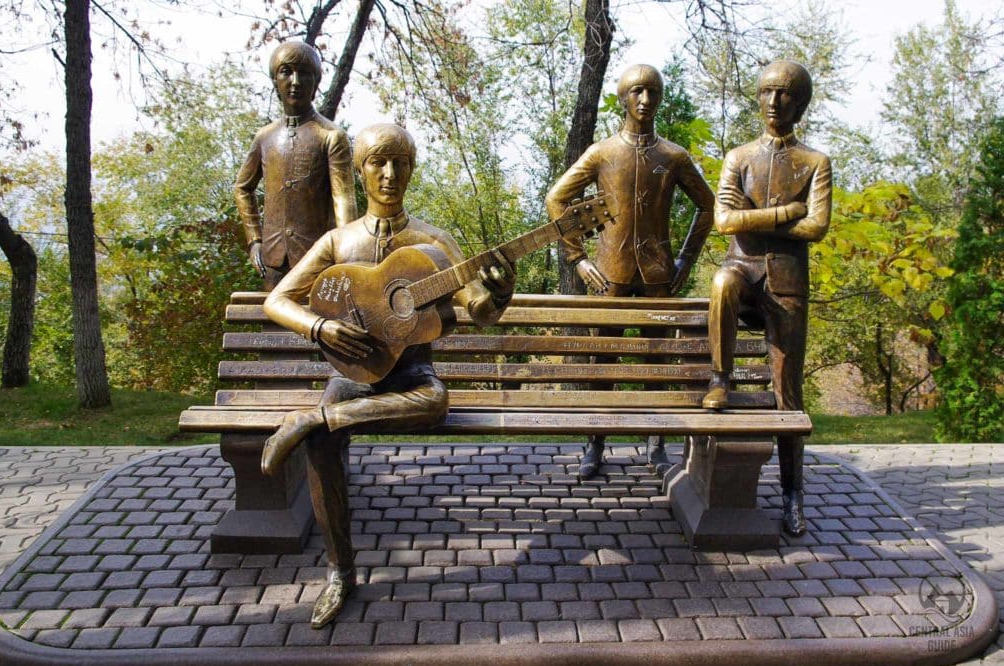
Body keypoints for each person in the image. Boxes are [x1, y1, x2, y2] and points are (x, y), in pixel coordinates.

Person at [259, 123, 516, 628]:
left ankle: (314, 419)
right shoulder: (338, 241)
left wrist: (499, 293)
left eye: (401, 163)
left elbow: (479, 310)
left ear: (413, 169)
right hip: (353, 377)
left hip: (411, 377)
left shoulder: (434, 242)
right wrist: (320, 327)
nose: (390, 174)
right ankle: (339, 572)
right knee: (325, 447)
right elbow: (277, 299)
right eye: (378, 162)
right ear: (360, 170)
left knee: (435, 402)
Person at [546, 64, 715, 480]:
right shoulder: (603, 152)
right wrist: (578, 258)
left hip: (659, 273)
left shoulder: (673, 155)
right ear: (623, 98)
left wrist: (686, 260)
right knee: (603, 359)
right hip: (609, 273)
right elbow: (556, 198)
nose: (645, 100)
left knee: (657, 359)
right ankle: (596, 440)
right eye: (637, 91)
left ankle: (656, 440)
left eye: (652, 92)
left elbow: (708, 206)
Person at [701, 60, 832, 537]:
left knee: (787, 394)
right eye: (767, 92)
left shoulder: (814, 163)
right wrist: (786, 212)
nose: (774, 102)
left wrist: (757, 217)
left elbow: (816, 226)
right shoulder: (739, 157)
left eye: (785, 94)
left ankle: (794, 493)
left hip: (787, 280)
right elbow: (724, 222)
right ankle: (721, 379)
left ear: (800, 102)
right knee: (720, 284)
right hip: (742, 266)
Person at [234, 41, 357, 291]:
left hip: (319, 257)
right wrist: (254, 240)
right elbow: (242, 188)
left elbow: (343, 199)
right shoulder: (265, 137)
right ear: (274, 80)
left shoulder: (330, 136)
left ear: (316, 81)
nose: (295, 81)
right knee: (274, 323)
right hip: (274, 258)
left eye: (305, 73)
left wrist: (347, 253)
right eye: (286, 71)